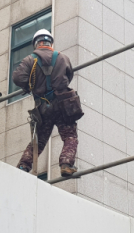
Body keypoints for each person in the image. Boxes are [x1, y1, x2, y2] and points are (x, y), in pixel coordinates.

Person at [12, 29, 84, 177]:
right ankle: (66, 164)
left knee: (38, 141)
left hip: (43, 108)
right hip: (64, 105)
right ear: (50, 42)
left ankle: (23, 167)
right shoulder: (63, 58)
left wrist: (30, 86)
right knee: (70, 136)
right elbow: (68, 75)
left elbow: (18, 78)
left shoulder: (29, 60)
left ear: (36, 44)